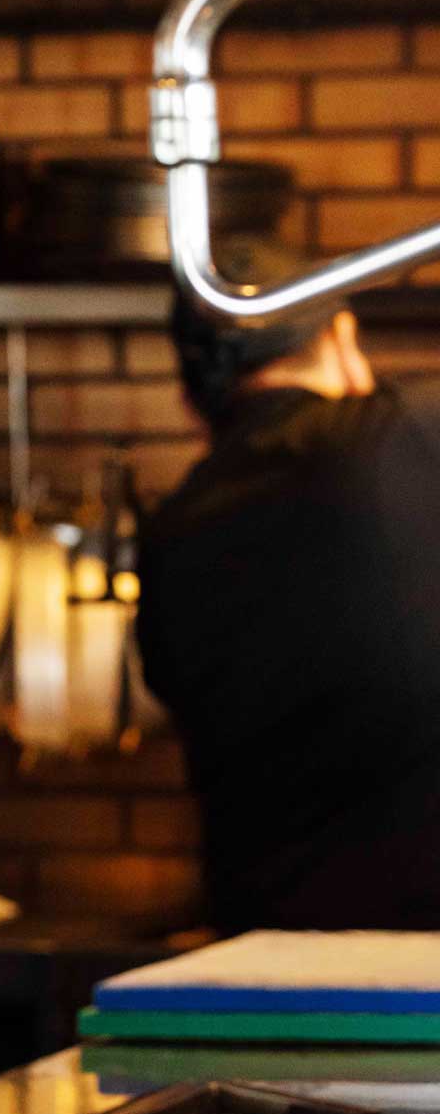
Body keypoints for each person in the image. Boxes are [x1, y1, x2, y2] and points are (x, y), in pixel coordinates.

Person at [137, 235, 440, 934]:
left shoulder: (170, 533)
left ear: (192, 405)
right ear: (341, 339)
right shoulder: (411, 437)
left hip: (263, 961)